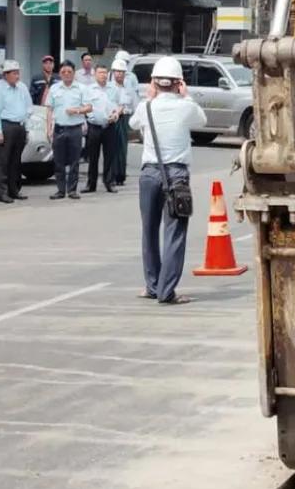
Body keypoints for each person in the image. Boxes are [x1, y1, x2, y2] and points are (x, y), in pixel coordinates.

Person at [129, 56, 207, 305]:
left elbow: (132, 123)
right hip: (176, 175)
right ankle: (166, 291)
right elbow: (202, 121)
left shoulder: (146, 107)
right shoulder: (186, 106)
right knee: (174, 233)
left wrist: (149, 98)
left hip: (149, 173)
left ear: (153, 83)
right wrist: (187, 97)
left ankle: (152, 286)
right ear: (178, 83)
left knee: (149, 231)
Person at [45, 60, 91, 200]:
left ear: (74, 73)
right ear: (60, 73)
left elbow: (89, 107)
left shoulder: (82, 88)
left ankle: (72, 190)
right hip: (59, 128)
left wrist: (77, 110)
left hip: (75, 129)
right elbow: (49, 109)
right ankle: (60, 190)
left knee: (74, 161)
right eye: (63, 72)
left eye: (69, 72)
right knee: (58, 161)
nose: (66, 74)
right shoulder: (54, 88)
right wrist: (48, 128)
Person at [0, 59, 31, 203]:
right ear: (5, 74)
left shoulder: (22, 87)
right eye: (14, 73)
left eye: (18, 73)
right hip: (5, 125)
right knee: (2, 161)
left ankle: (13, 190)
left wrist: (27, 128)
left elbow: (28, 108)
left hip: (19, 125)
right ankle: (0, 192)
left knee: (15, 161)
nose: (17, 76)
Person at [82, 64, 120, 193]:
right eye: (100, 72)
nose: (103, 75)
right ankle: (91, 184)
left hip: (110, 126)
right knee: (93, 157)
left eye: (105, 72)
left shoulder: (113, 88)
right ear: (95, 74)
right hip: (95, 127)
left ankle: (109, 182)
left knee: (110, 155)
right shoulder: (89, 89)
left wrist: (116, 114)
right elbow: (86, 106)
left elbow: (119, 105)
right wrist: (91, 117)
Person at [109, 58, 137, 186]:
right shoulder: (109, 87)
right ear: (113, 72)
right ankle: (112, 175)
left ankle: (121, 175)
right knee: (112, 148)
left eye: (121, 72)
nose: (119, 74)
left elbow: (133, 104)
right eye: (117, 72)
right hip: (112, 118)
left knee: (122, 148)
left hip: (124, 118)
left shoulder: (128, 88)